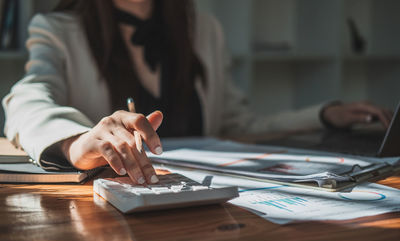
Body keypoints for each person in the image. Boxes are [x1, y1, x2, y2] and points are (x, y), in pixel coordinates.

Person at [2, 0, 392, 184]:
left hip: (206, 199)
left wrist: (322, 116)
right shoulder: (57, 29)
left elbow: (238, 122)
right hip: (122, 208)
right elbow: (26, 99)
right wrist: (78, 142)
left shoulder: (203, 30)